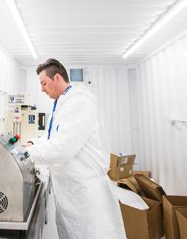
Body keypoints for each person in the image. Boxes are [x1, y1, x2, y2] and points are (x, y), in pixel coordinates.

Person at [24, 58, 126, 239]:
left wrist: (25, 154)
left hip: (85, 194)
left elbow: (63, 147)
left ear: (56, 78)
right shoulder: (61, 104)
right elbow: (52, 138)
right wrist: (33, 143)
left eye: (44, 83)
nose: (42, 89)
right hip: (71, 193)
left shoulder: (79, 103)